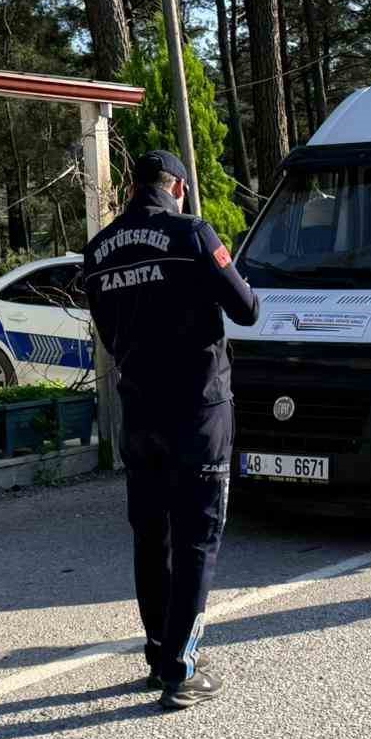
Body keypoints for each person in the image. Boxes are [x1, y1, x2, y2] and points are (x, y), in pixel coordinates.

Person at [84, 149, 259, 710]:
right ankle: (183, 668)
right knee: (197, 534)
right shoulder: (192, 233)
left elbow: (109, 334)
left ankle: (160, 651)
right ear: (178, 187)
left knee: (150, 532)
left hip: (138, 408)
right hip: (198, 407)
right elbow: (247, 307)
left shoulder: (97, 250)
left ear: (135, 188)